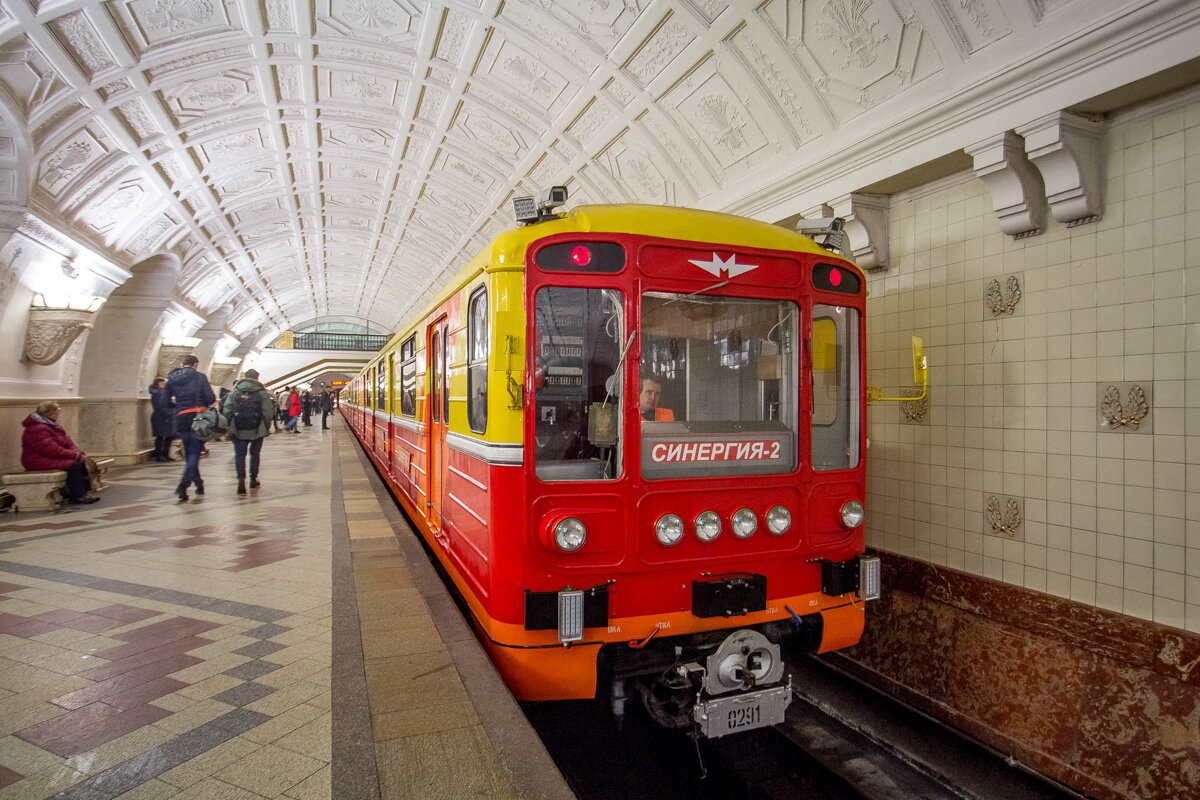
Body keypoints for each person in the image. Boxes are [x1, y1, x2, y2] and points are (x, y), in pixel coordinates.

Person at [21, 401, 98, 504]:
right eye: (58, 410)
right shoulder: (37, 428)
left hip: (49, 457)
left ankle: (83, 493)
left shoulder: (52, 425)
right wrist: (74, 455)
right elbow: (50, 449)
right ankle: (77, 496)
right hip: (37, 460)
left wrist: (76, 451)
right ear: (50, 413)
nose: (59, 412)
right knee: (74, 465)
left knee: (79, 461)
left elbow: (67, 441)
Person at [164, 354, 215, 502]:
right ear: (195, 365)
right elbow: (210, 398)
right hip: (198, 418)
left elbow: (164, 402)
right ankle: (183, 485)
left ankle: (199, 483)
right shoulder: (200, 377)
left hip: (181, 418)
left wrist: (178, 406)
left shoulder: (172, 379)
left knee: (190, 453)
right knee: (194, 453)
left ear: (182, 364)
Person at [221, 369, 275, 495]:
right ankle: (253, 479)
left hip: (238, 428)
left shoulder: (236, 391)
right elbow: (268, 412)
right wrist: (265, 427)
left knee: (240, 455)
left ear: (245, 377)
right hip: (257, 428)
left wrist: (229, 425)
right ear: (257, 378)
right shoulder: (261, 393)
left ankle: (241, 480)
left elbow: (227, 409)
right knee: (255, 454)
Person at [148, 377, 175, 462]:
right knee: (160, 436)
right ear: (157, 384)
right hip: (160, 417)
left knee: (169, 436)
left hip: (167, 417)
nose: (164, 385)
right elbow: (159, 407)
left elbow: (169, 403)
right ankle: (159, 455)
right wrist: (168, 413)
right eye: (162, 384)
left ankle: (165, 454)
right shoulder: (156, 394)